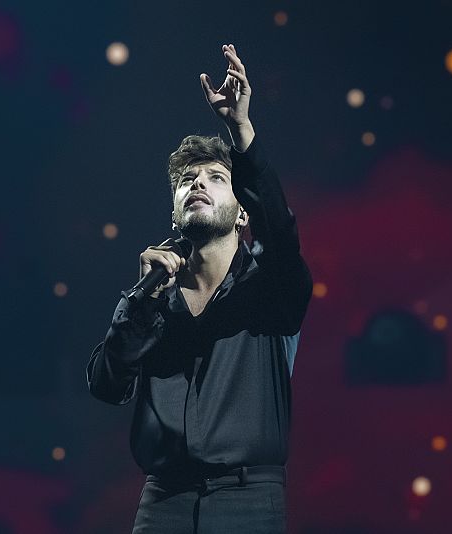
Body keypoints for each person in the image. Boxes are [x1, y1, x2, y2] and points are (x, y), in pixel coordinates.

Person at [86, 44, 312, 534]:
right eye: (187, 180)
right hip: (161, 502)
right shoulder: (154, 297)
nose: (198, 185)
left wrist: (241, 130)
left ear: (243, 210)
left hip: (248, 501)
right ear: (174, 212)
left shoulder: (271, 290)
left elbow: (279, 229)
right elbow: (106, 384)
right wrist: (139, 303)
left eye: (216, 178)